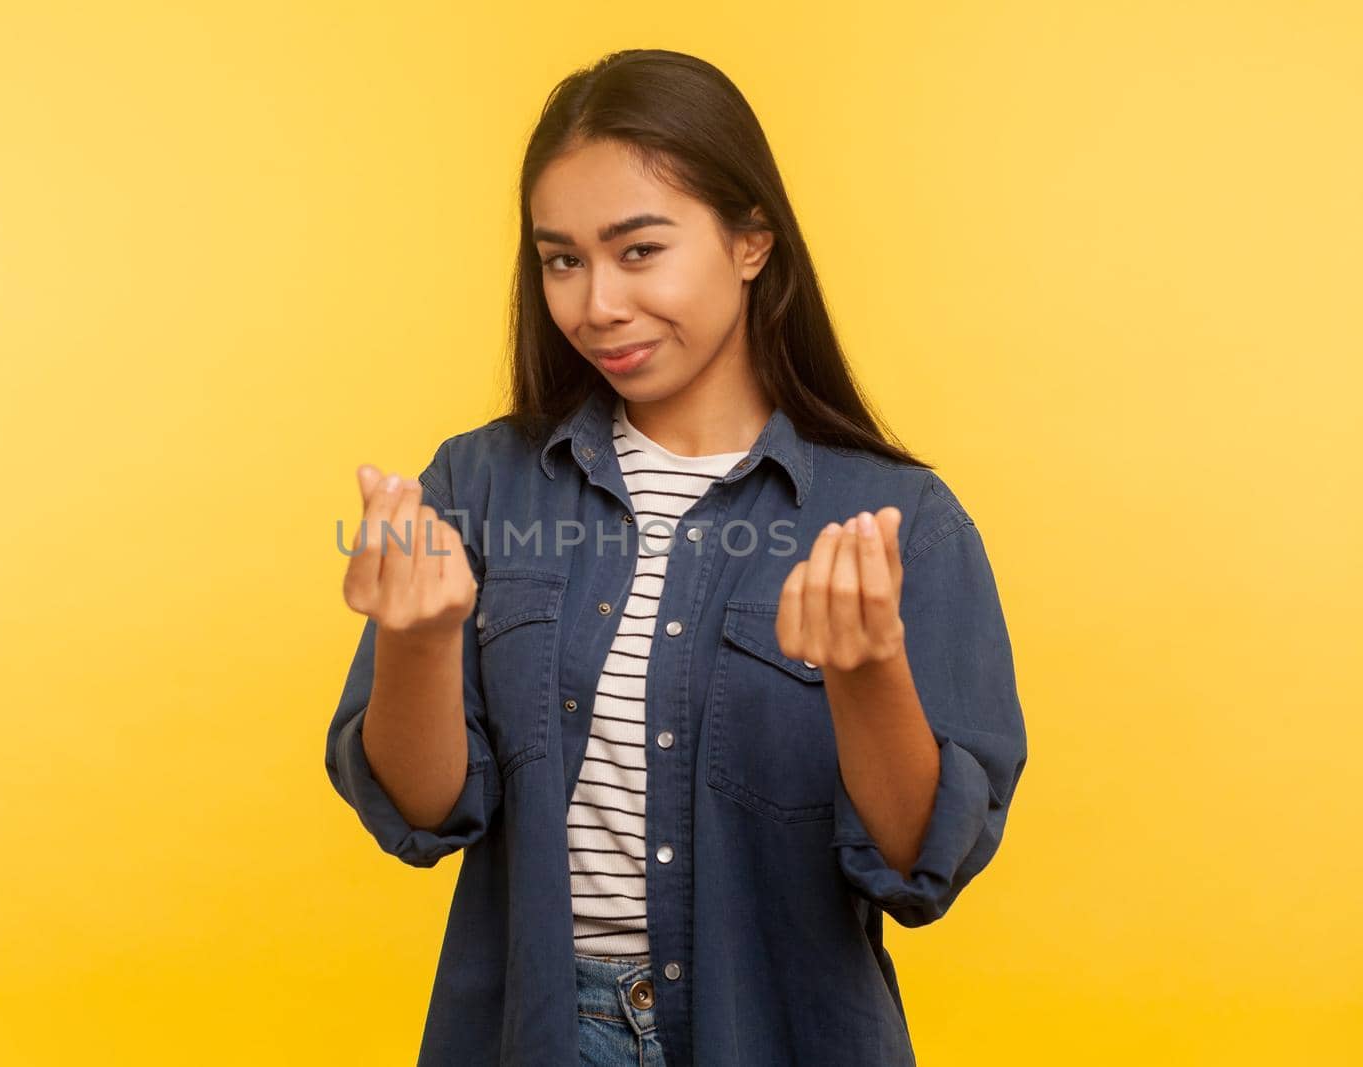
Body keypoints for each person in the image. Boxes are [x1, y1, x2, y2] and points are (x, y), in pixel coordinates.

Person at [326, 48, 1029, 1067]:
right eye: (561, 258)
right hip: (532, 1030)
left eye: (639, 250)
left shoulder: (897, 517)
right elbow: (423, 814)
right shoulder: (479, 483)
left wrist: (867, 670)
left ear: (751, 243)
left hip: (771, 1029)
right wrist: (420, 638)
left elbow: (925, 862)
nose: (595, 302)